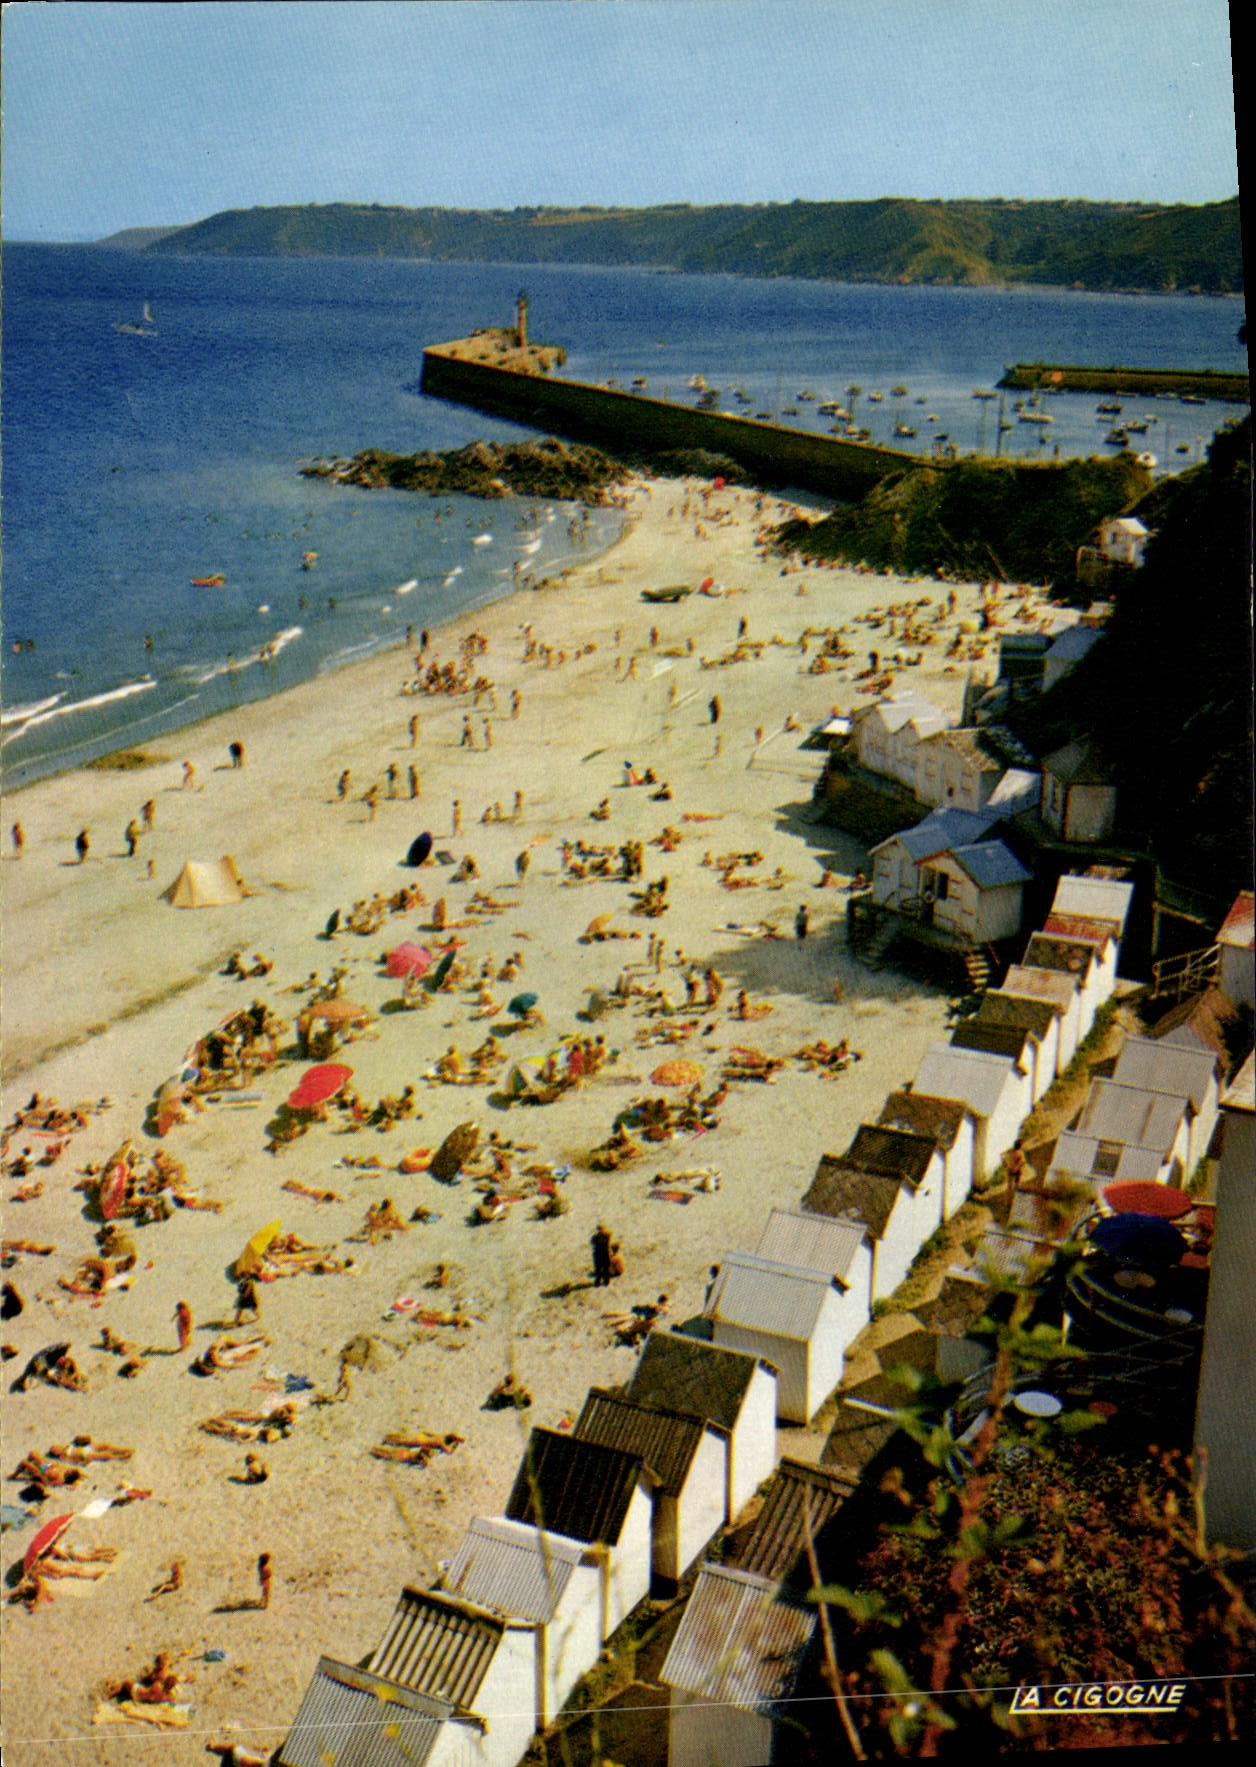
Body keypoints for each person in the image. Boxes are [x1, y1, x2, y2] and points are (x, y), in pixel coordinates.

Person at [591, 1222, 613, 1287]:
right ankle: (599, 1281)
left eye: (602, 1229)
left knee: (606, 1268)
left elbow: (593, 1242)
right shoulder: (600, 1236)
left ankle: (606, 1280)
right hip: (599, 1254)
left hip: (604, 1254)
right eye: (600, 1229)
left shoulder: (602, 1236)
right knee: (599, 1268)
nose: (601, 1230)